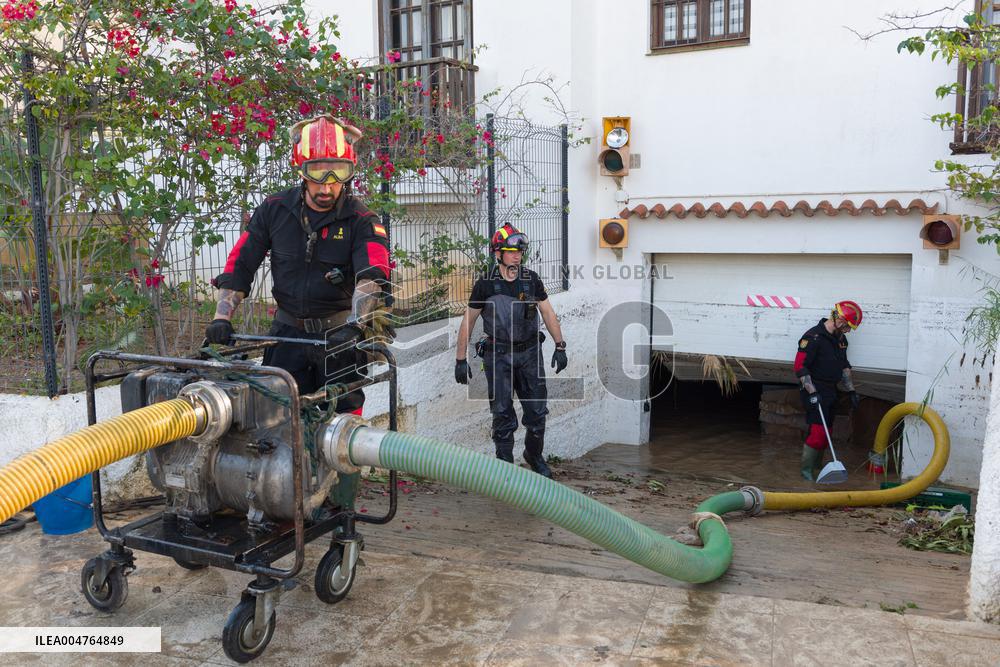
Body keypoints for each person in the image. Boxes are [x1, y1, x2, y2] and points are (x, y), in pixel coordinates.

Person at [206, 115, 391, 414]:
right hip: (286, 337)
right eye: (317, 173)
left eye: (337, 174)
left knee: (344, 428)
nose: (327, 188)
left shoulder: (363, 221)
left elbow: (372, 277)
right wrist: (221, 317)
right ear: (301, 169)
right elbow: (241, 262)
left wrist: (355, 325)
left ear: (349, 172)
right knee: (276, 420)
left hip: (339, 339)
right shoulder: (274, 210)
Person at [454, 224, 568, 478]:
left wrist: (560, 345)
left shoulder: (531, 280)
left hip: (530, 355)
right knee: (502, 413)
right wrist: (460, 359)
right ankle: (505, 470)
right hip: (498, 356)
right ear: (498, 253)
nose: (517, 256)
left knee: (537, 412)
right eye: (511, 251)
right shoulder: (485, 284)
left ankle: (533, 456)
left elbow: (548, 313)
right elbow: (468, 321)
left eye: (520, 251)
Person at [793, 300, 863, 481]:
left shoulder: (841, 340)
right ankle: (806, 474)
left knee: (827, 433)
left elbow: (844, 366)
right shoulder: (813, 337)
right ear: (839, 319)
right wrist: (812, 392)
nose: (848, 331)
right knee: (817, 433)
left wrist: (851, 391)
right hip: (814, 389)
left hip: (831, 390)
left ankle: (818, 469)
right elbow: (800, 367)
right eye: (847, 326)